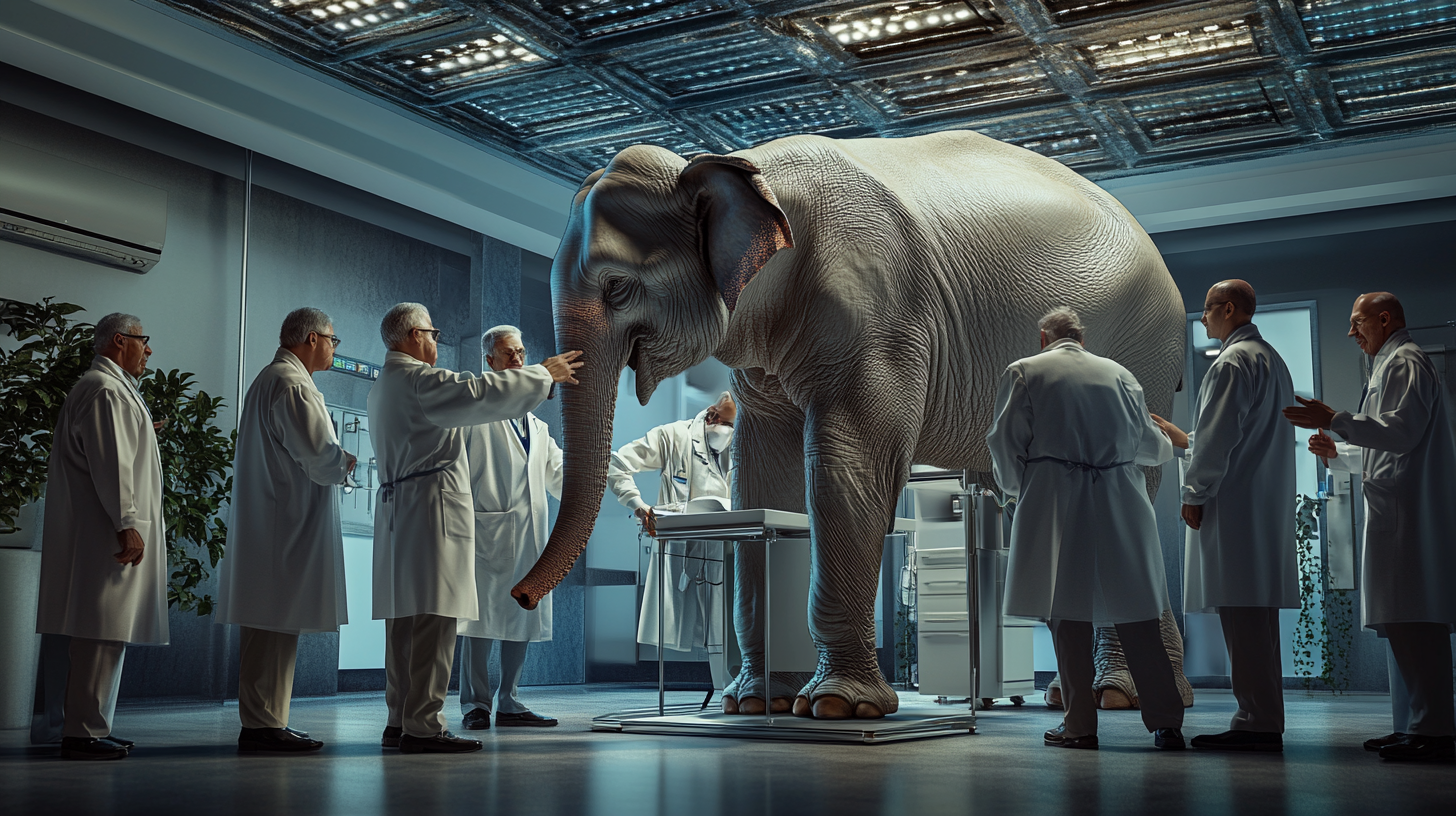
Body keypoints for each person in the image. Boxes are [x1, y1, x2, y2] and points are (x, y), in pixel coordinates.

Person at [368, 303, 581, 754]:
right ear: (411, 336)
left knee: (405, 621)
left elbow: (555, 471)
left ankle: (400, 718)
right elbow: (477, 392)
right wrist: (544, 374)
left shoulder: (387, 384)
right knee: (435, 621)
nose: (436, 341)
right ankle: (424, 725)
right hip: (432, 512)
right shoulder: (420, 379)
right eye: (431, 332)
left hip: (405, 512)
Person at [988, 307, 1184, 751]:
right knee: (1138, 614)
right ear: (1082, 338)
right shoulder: (1120, 374)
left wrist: (1026, 491)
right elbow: (1151, 447)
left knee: (1067, 614)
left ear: (1043, 338)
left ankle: (1079, 725)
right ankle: (1167, 723)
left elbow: (1004, 443)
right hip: (1120, 499)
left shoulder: (1024, 371)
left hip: (1056, 500)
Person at [1284, 292, 1456, 763]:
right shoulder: (1392, 364)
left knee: (1415, 622)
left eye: (1358, 322)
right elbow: (1393, 446)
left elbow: (1401, 433)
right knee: (1401, 623)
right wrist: (1341, 452)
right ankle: (1412, 725)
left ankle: (1435, 730)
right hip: (1396, 509)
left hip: (1407, 515)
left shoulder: (1406, 363)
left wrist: (1335, 420)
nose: (1351, 332)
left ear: (1385, 319)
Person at [1151, 281, 1296, 753]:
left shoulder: (1231, 361)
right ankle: (1260, 715)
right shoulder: (1271, 359)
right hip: (1258, 506)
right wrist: (1184, 438)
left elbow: (1219, 442)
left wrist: (1193, 492)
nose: (1203, 319)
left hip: (1233, 507)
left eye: (1208, 310)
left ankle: (1257, 721)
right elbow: (1234, 436)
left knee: (1243, 618)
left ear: (1228, 309)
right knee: (1255, 619)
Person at [216, 308, 357, 753]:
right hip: (285, 522)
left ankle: (266, 720)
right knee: (273, 626)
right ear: (312, 339)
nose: (335, 348)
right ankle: (262, 724)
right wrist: (347, 462)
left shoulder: (272, 378)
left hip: (275, 518)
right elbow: (318, 456)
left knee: (272, 625)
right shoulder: (292, 384)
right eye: (333, 340)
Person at [35, 313, 167, 761]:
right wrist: (128, 522)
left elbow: (115, 451)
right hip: (107, 531)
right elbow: (111, 465)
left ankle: (90, 726)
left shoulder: (110, 388)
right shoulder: (105, 390)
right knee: (99, 629)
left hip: (101, 526)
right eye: (142, 341)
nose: (148, 350)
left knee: (105, 630)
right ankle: (82, 732)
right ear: (119, 341)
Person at [457, 326, 564, 731]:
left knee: (522, 616)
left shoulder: (538, 428)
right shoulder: (475, 413)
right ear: (490, 362)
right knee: (479, 622)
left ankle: (510, 700)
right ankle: (475, 704)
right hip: (486, 533)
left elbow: (558, 477)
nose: (518, 360)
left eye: (521, 352)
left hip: (530, 537)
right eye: (508, 354)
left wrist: (598, 463)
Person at [606, 392, 735, 689]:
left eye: (731, 426)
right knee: (696, 623)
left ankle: (725, 690)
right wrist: (637, 503)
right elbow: (617, 463)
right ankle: (721, 691)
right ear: (711, 414)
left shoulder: (739, 445)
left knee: (724, 625)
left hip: (723, 546)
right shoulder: (673, 436)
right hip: (682, 547)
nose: (725, 430)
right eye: (722, 421)